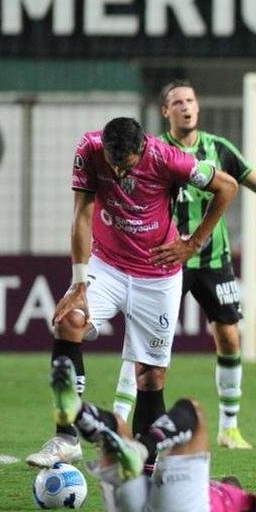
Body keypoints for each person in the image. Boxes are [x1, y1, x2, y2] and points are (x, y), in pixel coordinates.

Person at [111, 81, 256, 449]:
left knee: (230, 338)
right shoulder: (154, 152)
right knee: (145, 340)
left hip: (213, 259)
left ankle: (229, 427)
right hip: (168, 258)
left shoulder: (220, 149)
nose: (186, 107)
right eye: (177, 102)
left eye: (190, 100)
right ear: (166, 111)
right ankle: (119, 416)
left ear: (198, 107)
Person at [27, 117, 238, 469]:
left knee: (150, 376)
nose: (118, 172)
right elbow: (82, 215)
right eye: (113, 164)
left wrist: (193, 244)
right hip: (107, 265)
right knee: (68, 321)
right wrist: (79, 284)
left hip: (157, 275)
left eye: (126, 166)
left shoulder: (168, 158)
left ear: (142, 149)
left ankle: (145, 466)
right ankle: (66, 438)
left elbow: (227, 186)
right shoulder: (89, 149)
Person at [50, 355, 256, 512]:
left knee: (193, 410)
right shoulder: (241, 508)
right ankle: (77, 411)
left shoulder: (250, 507)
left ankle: (141, 448)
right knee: (118, 431)